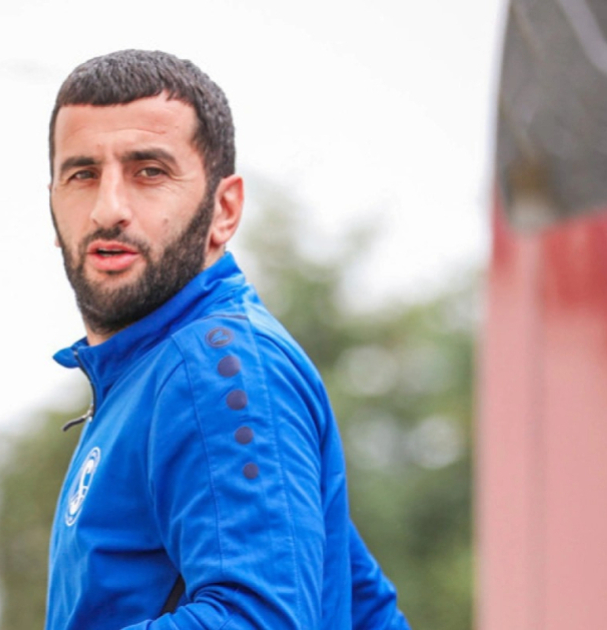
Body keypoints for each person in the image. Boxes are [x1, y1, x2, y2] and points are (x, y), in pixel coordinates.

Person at [46, 49, 409, 629]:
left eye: (149, 172)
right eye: (83, 174)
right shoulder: (156, 375)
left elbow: (259, 619)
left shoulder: (218, 367)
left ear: (224, 209)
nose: (107, 209)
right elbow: (361, 609)